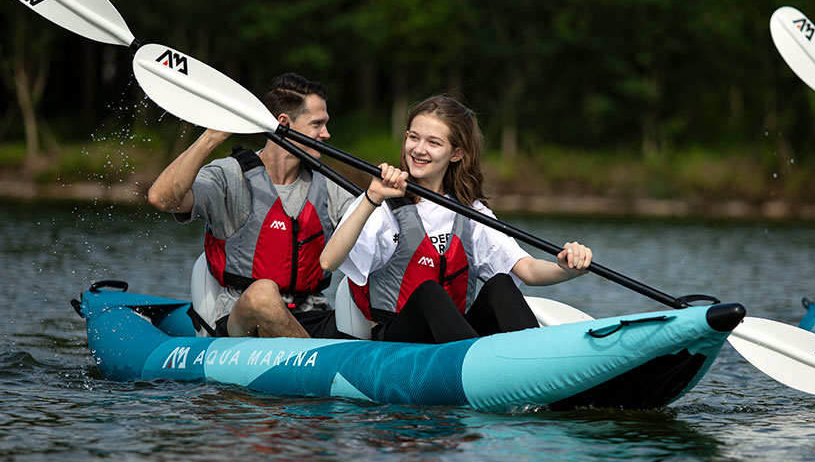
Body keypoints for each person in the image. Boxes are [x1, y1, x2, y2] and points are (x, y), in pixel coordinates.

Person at [319, 94, 593, 343]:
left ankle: (538, 364)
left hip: (454, 339)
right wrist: (372, 197)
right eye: (413, 138)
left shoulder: (470, 211)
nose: (418, 149)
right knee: (429, 292)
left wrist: (568, 268)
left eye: (433, 142)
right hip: (398, 343)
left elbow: (528, 270)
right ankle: (485, 365)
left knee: (501, 285)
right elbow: (329, 261)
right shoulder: (381, 202)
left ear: (457, 153)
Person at [148, 73, 354, 337]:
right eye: (317, 124)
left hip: (312, 314)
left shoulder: (328, 187)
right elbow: (162, 199)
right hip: (242, 320)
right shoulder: (229, 177)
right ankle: (319, 367)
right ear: (285, 123)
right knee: (263, 293)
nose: (326, 134)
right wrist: (212, 136)